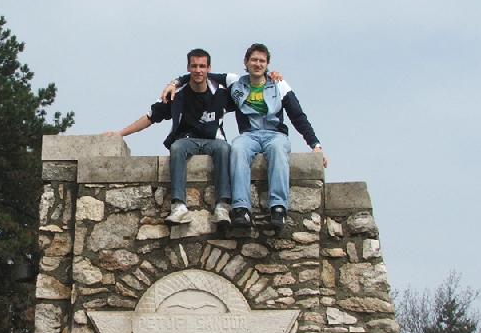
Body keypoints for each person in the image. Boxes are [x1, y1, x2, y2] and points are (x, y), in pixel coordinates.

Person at [164, 43, 326, 229]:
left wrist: (315, 145)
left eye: (262, 61)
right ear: (246, 62)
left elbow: (298, 116)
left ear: (267, 64)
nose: (258, 64)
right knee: (238, 149)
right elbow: (200, 74)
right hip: (249, 135)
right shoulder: (235, 82)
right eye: (254, 60)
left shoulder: (278, 84)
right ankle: (241, 209)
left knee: (278, 150)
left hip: (275, 134)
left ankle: (278, 208)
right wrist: (174, 83)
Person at [104, 48, 233, 226]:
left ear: (209, 69)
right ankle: (179, 206)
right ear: (188, 68)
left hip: (214, 141)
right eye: (194, 66)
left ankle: (222, 206)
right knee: (177, 147)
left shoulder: (221, 92)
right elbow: (150, 117)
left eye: (202, 66)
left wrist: (270, 77)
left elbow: (247, 94)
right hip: (187, 140)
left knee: (225, 149)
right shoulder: (176, 94)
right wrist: (120, 134)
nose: (198, 70)